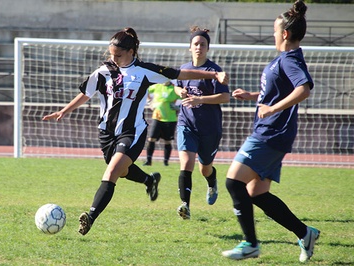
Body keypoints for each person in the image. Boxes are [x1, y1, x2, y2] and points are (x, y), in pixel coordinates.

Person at [42, 27, 229, 236]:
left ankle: (90, 217)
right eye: (111, 54)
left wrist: (213, 74)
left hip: (132, 132)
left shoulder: (144, 71)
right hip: (106, 133)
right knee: (121, 171)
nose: (114, 58)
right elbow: (86, 94)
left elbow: (180, 73)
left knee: (112, 172)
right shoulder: (103, 71)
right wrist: (64, 111)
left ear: (131, 52)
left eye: (118, 55)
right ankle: (149, 180)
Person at [221, 1, 320, 262]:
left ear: (285, 34)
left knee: (233, 182)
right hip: (273, 132)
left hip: (271, 133)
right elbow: (277, 92)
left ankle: (250, 243)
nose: (273, 34)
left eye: (275, 30)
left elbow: (304, 89)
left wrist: (272, 108)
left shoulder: (289, 59)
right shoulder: (283, 59)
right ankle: (304, 232)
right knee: (257, 194)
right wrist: (253, 96)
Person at [174, 26, 230, 220]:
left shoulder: (214, 71)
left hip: (209, 128)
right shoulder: (183, 69)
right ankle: (185, 206)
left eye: (202, 44)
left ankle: (212, 181)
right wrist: (179, 92)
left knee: (204, 168)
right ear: (190, 47)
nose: (199, 47)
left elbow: (224, 97)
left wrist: (200, 100)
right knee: (186, 163)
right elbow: (176, 86)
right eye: (195, 44)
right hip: (186, 123)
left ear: (208, 48)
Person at [143, 81, 180, 166]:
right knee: (151, 138)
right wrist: (150, 102)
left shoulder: (174, 88)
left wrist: (178, 106)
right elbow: (145, 89)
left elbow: (184, 96)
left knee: (167, 141)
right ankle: (148, 161)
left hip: (170, 119)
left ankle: (166, 162)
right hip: (157, 117)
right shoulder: (157, 86)